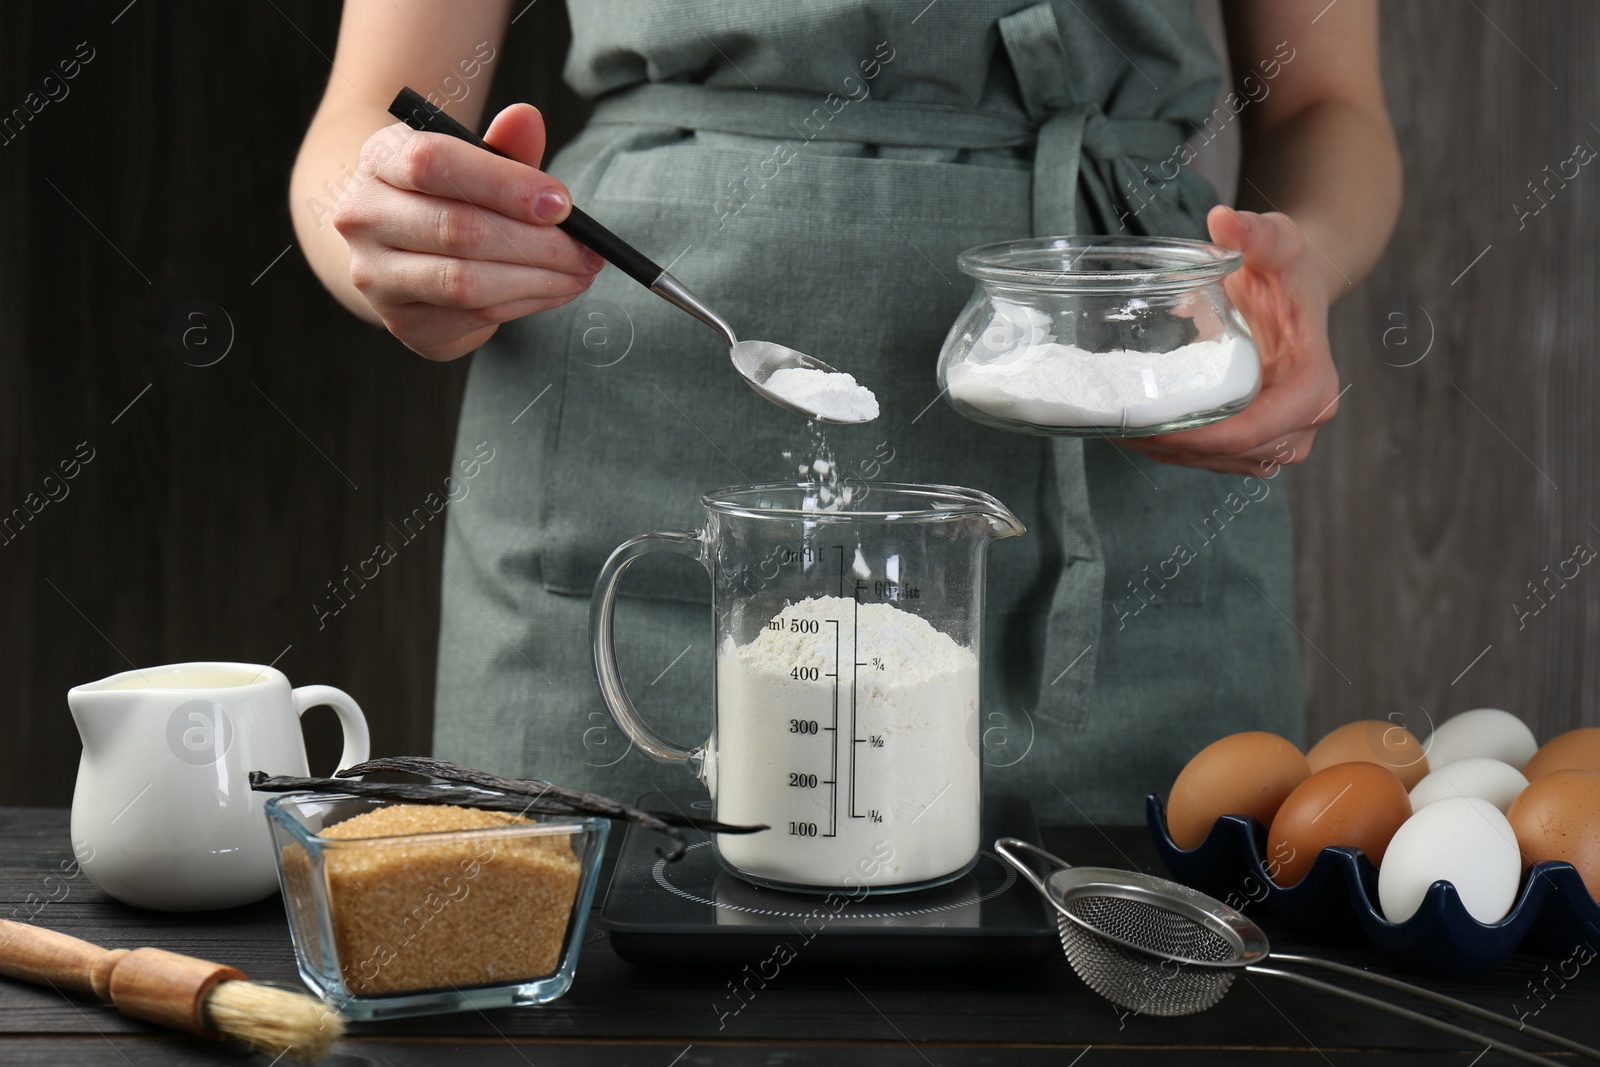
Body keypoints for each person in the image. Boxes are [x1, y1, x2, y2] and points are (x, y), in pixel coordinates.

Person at [291, 1, 1400, 823]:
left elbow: (1325, 103)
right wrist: (402, 241)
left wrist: (1300, 269)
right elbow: (362, 123)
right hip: (637, 432)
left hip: (1139, 439)